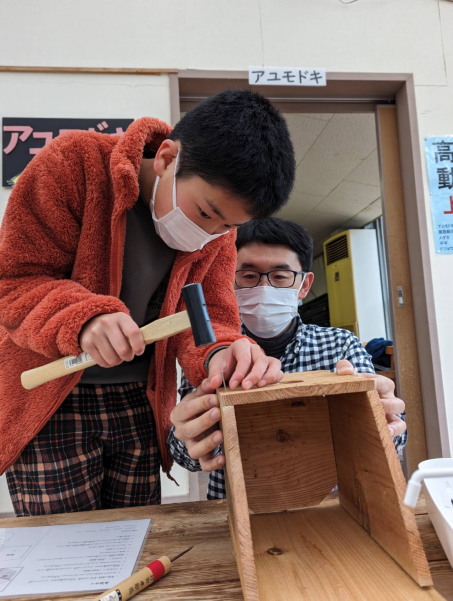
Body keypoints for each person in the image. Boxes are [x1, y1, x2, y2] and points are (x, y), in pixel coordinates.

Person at [0, 90, 296, 516]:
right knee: (65, 552)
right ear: (167, 157)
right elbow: (16, 281)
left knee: (134, 537)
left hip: (140, 400)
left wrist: (222, 354)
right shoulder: (73, 164)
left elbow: (210, 316)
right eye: (206, 212)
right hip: (50, 399)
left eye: (229, 225)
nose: (211, 233)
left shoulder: (219, 232)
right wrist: (83, 319)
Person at [168, 218, 407, 499]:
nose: (264, 287)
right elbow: (184, 455)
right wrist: (192, 439)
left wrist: (386, 420)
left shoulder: (340, 346)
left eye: (280, 276)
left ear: (304, 285)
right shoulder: (211, 354)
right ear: (226, 282)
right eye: (248, 276)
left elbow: (391, 442)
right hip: (236, 507)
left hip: (329, 506)